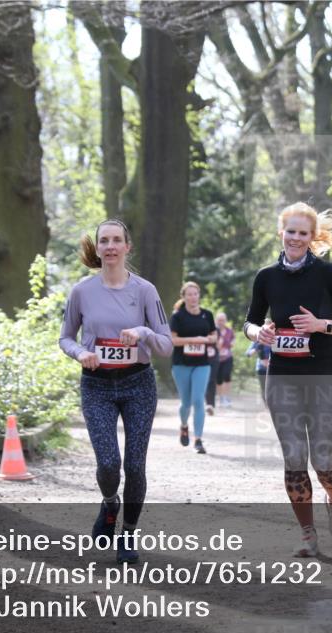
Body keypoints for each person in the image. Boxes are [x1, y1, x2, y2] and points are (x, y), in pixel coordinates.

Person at [243, 202, 332, 557]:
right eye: (290, 231)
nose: (295, 238)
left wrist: (320, 325)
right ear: (281, 233)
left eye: (302, 233)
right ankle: (308, 534)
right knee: (294, 456)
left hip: (324, 374)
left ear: (312, 237)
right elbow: (249, 321)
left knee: (323, 460)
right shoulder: (266, 277)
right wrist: (257, 334)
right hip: (281, 376)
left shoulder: (329, 275)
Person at [59, 219, 172, 565]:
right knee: (109, 464)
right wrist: (81, 353)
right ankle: (110, 504)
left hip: (138, 383)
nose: (110, 246)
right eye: (104, 241)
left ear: (127, 247)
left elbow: (166, 345)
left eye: (116, 240)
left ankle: (128, 534)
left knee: (135, 467)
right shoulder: (82, 292)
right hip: (97, 385)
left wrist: (142, 331)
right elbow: (65, 337)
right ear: (98, 248)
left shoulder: (145, 291)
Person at [169, 281, 217, 454]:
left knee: (198, 400)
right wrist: (196, 340)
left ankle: (198, 439)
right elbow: (173, 340)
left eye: (195, 293)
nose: (192, 297)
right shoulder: (177, 317)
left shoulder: (207, 315)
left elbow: (213, 335)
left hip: (202, 364)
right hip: (181, 364)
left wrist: (210, 339)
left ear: (199, 295)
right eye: (189, 294)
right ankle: (183, 425)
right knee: (186, 403)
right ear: (184, 297)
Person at [214, 312, 235, 407]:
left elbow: (233, 341)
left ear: (225, 321)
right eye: (219, 320)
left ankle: (226, 397)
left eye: (222, 320)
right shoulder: (213, 331)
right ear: (216, 320)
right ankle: (220, 398)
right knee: (218, 378)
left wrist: (231, 343)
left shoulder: (229, 331)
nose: (221, 322)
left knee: (227, 375)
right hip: (216, 358)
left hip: (227, 357)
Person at [245, 329, 271, 406]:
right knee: (264, 387)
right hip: (261, 367)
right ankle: (267, 405)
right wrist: (254, 350)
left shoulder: (275, 339)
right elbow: (248, 353)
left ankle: (273, 403)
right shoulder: (257, 340)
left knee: (273, 386)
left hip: (273, 367)